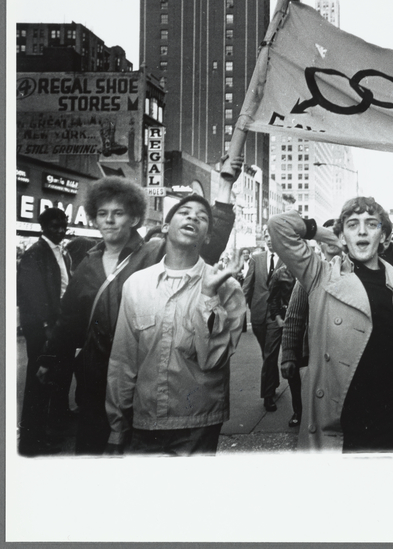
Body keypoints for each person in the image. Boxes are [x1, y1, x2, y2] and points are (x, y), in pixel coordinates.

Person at [38, 160, 240, 456]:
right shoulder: (88, 262)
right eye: (102, 214)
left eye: (118, 213)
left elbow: (201, 241)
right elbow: (70, 318)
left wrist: (223, 190)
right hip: (96, 375)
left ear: (134, 218)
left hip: (142, 374)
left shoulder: (152, 251)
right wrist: (50, 357)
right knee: (93, 453)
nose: (109, 221)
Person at [268, 197, 393, 452]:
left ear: (385, 237)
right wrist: (333, 235)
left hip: (391, 415)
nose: (363, 230)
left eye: (371, 224)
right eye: (353, 224)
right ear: (342, 237)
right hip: (338, 420)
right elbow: (279, 225)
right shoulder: (319, 275)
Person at [104, 196, 245, 456]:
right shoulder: (136, 284)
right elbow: (123, 360)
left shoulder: (228, 289)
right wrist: (117, 426)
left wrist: (208, 295)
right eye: (185, 212)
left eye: (202, 217)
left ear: (208, 237)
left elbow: (213, 359)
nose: (193, 217)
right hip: (143, 421)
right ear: (166, 227)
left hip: (198, 426)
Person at [17, 208, 72, 456]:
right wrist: (47, 327)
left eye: (63, 225)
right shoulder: (35, 254)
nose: (60, 230)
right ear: (43, 227)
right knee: (38, 381)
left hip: (57, 328)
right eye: (54, 226)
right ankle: (30, 441)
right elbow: (33, 295)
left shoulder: (63, 253)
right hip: (43, 332)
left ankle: (44, 435)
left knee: (52, 380)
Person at [280, 219, 343, 428]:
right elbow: (294, 318)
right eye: (327, 236)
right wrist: (288, 355)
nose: (332, 240)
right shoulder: (310, 275)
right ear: (320, 244)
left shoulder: (357, 273)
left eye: (337, 234)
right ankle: (300, 412)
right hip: (314, 353)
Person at [242, 227, 284, 412]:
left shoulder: (287, 260)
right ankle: (273, 381)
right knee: (267, 354)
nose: (268, 239)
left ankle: (267, 396)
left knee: (270, 354)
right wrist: (239, 309)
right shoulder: (256, 259)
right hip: (258, 313)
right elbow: (247, 286)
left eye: (272, 236)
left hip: (277, 315)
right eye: (266, 236)